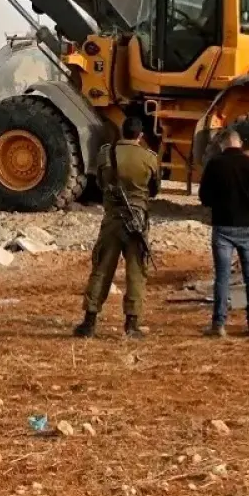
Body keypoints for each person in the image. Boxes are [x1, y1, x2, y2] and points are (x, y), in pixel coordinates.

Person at [75, 116, 160, 339]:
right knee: (136, 272)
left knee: (102, 268)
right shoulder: (149, 158)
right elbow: (154, 189)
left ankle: (89, 322)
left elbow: (102, 185)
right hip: (137, 222)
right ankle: (132, 324)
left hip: (112, 220)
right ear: (140, 135)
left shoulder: (106, 154)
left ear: (122, 132)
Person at [197, 129, 249, 337]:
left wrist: (220, 205)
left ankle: (219, 324)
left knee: (222, 276)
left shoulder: (215, 164)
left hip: (223, 226)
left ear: (222, 144)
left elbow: (204, 196)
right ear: (239, 143)